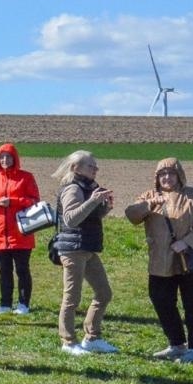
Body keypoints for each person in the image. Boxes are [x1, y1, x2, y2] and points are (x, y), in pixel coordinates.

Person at [126, 158, 193, 363]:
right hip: (160, 261)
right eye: (162, 174)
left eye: (171, 173)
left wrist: (187, 242)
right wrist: (149, 205)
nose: (167, 177)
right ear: (156, 177)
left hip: (190, 259)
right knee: (161, 300)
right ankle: (176, 343)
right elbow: (131, 215)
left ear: (180, 175)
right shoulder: (149, 196)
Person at [49, 151, 116, 355]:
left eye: (96, 166)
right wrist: (93, 201)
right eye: (90, 166)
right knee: (72, 298)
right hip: (73, 250)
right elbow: (71, 219)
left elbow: (88, 217)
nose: (95, 169)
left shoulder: (88, 187)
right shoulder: (73, 188)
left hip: (87, 248)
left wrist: (105, 208)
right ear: (75, 168)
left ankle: (92, 337)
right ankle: (68, 342)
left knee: (104, 293)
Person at [0, 143, 40, 314]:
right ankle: (5, 303)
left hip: (21, 232)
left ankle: (23, 303)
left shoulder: (26, 177)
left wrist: (13, 201)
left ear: (15, 159)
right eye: (2, 157)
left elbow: (34, 200)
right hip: (0, 233)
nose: (5, 160)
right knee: (4, 271)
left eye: (8, 157)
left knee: (22, 269)